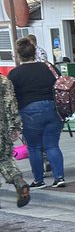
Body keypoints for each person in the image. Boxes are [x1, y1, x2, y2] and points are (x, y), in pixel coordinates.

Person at [7, 37, 65, 189]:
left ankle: (39, 180)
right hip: (53, 109)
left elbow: (11, 97)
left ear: (19, 55)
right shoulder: (49, 67)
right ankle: (59, 177)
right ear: (34, 53)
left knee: (34, 147)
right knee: (52, 145)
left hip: (29, 111)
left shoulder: (14, 74)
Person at [0, 71, 30, 207]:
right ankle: (18, 180)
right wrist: (15, 126)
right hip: (2, 127)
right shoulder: (3, 81)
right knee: (4, 158)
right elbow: (11, 104)